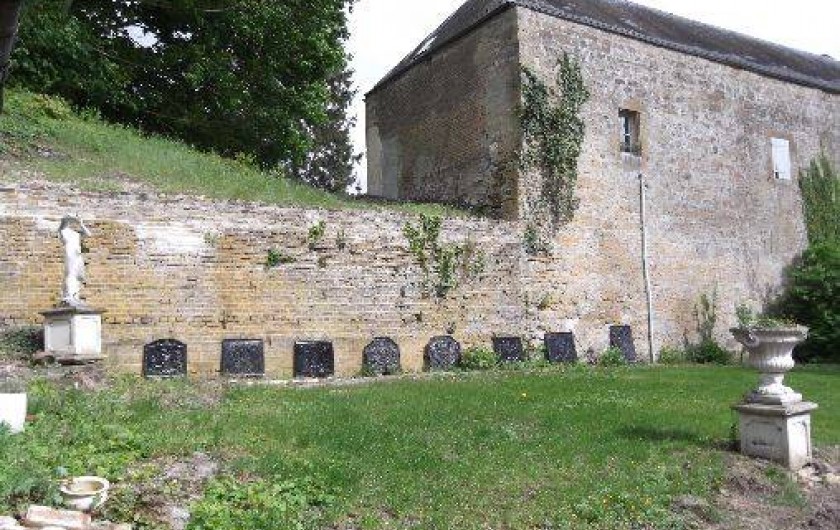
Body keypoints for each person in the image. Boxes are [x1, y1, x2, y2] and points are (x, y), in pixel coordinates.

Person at [58, 216, 91, 307]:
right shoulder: (64, 232)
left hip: (77, 255)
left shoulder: (76, 234)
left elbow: (88, 234)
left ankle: (75, 296)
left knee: (78, 276)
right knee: (70, 274)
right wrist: (67, 218)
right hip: (70, 254)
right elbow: (62, 225)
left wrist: (81, 223)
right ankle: (69, 296)